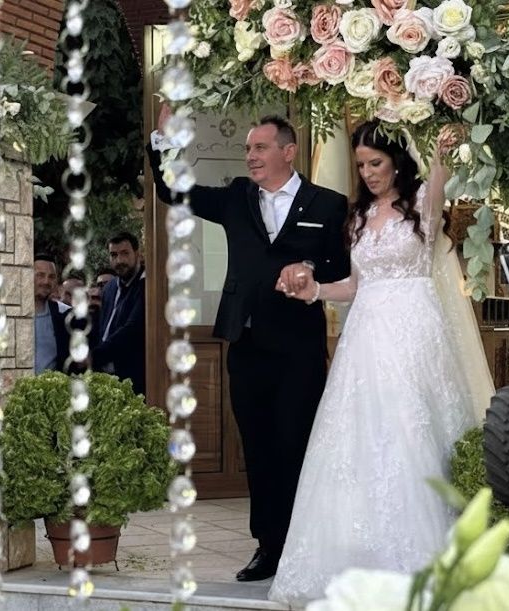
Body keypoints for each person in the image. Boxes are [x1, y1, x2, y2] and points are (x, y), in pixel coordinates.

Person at [267, 122, 493, 604]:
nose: (369, 173)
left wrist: (441, 145)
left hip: (413, 333)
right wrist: (315, 291)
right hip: (366, 336)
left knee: (412, 430)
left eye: (377, 163)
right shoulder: (358, 216)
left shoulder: (421, 205)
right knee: (359, 440)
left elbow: (440, 173)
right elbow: (355, 285)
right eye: (362, 165)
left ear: (397, 162)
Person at [149, 111, 351, 582]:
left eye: (260, 148)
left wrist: (308, 269)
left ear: (288, 151)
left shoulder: (329, 204)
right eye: (247, 149)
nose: (251, 156)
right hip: (246, 344)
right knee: (258, 449)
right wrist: (163, 140)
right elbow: (173, 189)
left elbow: (341, 268)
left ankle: (302, 544)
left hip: (299, 349)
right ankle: (269, 546)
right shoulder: (237, 197)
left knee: (295, 446)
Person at [90, 232, 146, 395]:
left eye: (125, 253)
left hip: (132, 379)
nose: (119, 260)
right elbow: (103, 327)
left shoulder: (147, 285)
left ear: (137, 254)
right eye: (114, 255)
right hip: (104, 377)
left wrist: (94, 356)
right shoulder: (109, 288)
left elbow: (132, 330)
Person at [33, 254, 72, 374]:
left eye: (51, 277)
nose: (46, 281)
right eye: (40, 275)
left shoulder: (65, 315)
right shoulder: (10, 312)